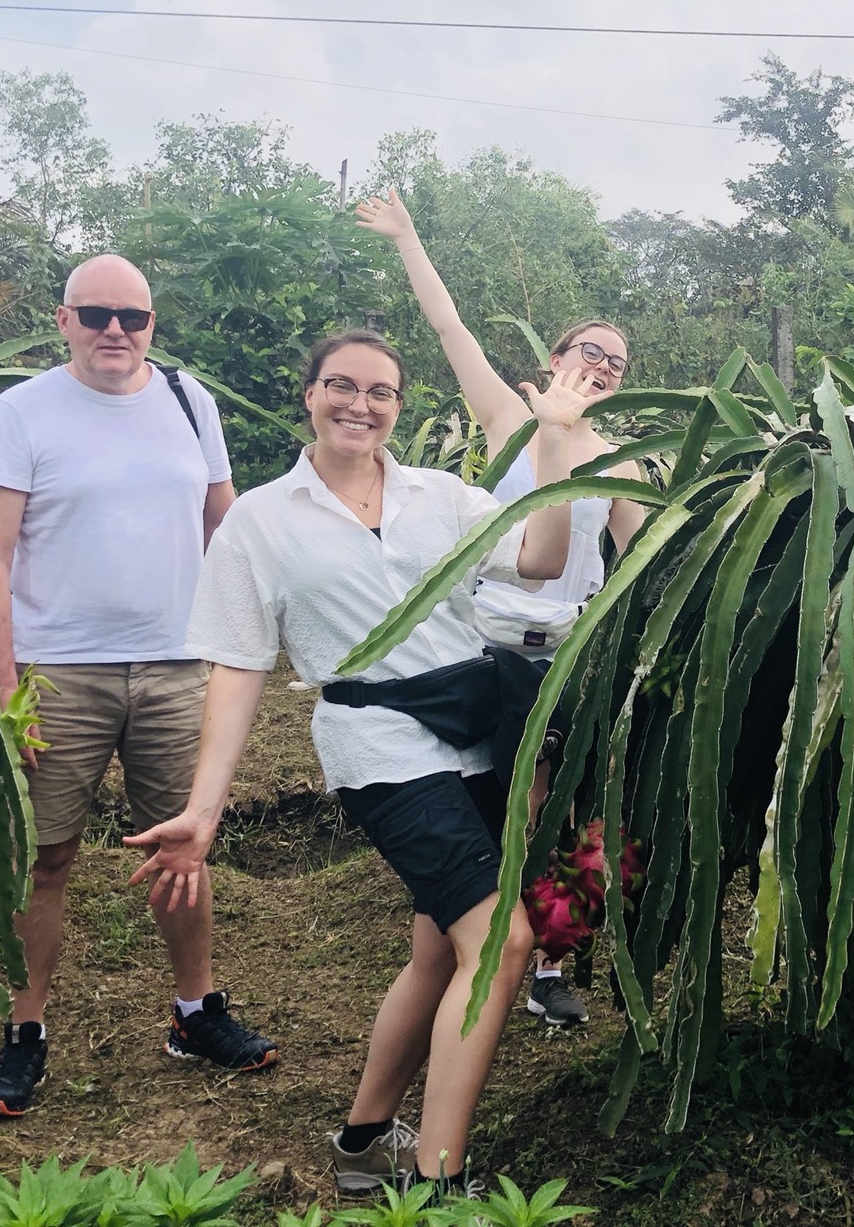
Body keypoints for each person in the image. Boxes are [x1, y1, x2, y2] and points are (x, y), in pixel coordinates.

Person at [126, 329, 598, 1198]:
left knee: (437, 952)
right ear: (307, 394)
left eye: (380, 391)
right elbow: (237, 670)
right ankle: (437, 1187)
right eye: (340, 385)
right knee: (502, 943)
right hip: (380, 747)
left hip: (479, 730)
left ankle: (362, 1145)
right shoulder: (260, 522)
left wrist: (560, 437)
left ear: (397, 407)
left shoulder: (441, 496)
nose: (360, 404)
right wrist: (204, 808)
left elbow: (540, 560)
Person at [0, 254, 276, 1119]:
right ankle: (24, 1032)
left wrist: (252, 627)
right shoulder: (20, 412)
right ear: (62, 320)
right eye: (95, 313)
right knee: (45, 857)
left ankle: (196, 1013)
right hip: (56, 670)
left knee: (184, 847)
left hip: (179, 663)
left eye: (132, 318)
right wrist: (5, 689)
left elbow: (226, 519)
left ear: (152, 327)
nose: (114, 331)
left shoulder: (188, 401)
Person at [355, 188, 644, 1028]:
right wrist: (409, 236)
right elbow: (451, 330)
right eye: (588, 348)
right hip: (490, 645)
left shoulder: (623, 459)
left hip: (572, 650)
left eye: (617, 362)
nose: (601, 363)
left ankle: (550, 959)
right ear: (556, 354)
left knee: (572, 810)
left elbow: (638, 559)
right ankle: (486, 940)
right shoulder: (508, 418)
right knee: (507, 802)